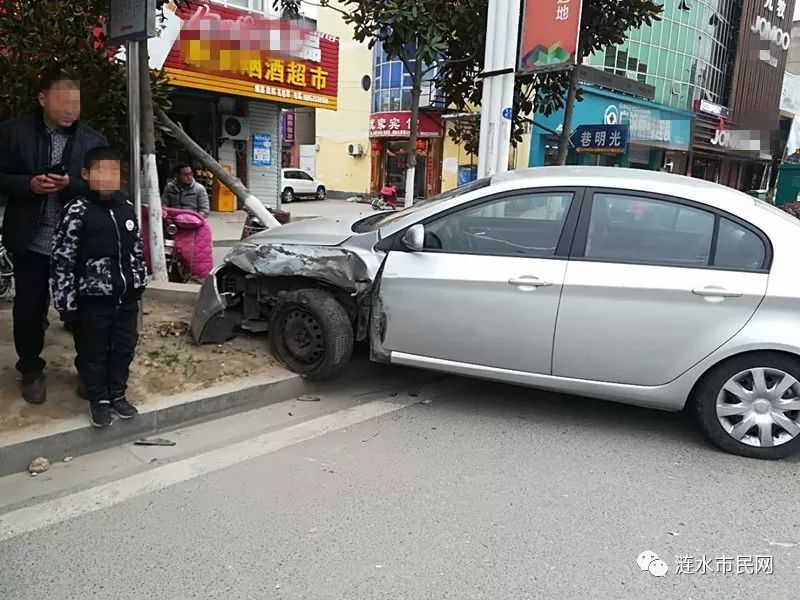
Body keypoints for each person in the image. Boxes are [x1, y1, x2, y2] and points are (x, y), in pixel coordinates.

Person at [0, 66, 106, 404]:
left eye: (76, 103)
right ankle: (31, 370)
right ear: (42, 98)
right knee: (29, 310)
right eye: (63, 102)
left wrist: (71, 185)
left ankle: (87, 371)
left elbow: (106, 187)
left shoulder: (92, 140)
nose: (71, 109)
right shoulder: (12, 133)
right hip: (29, 241)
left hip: (76, 244)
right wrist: (27, 184)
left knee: (83, 311)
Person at [51, 147, 147, 428]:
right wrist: (66, 304)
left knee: (124, 347)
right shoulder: (77, 211)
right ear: (85, 174)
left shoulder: (126, 205)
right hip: (92, 300)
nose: (108, 178)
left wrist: (139, 282)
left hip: (126, 297)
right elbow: (62, 261)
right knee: (92, 352)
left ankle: (117, 393)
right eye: (101, 171)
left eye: (114, 172)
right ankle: (99, 399)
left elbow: (137, 250)